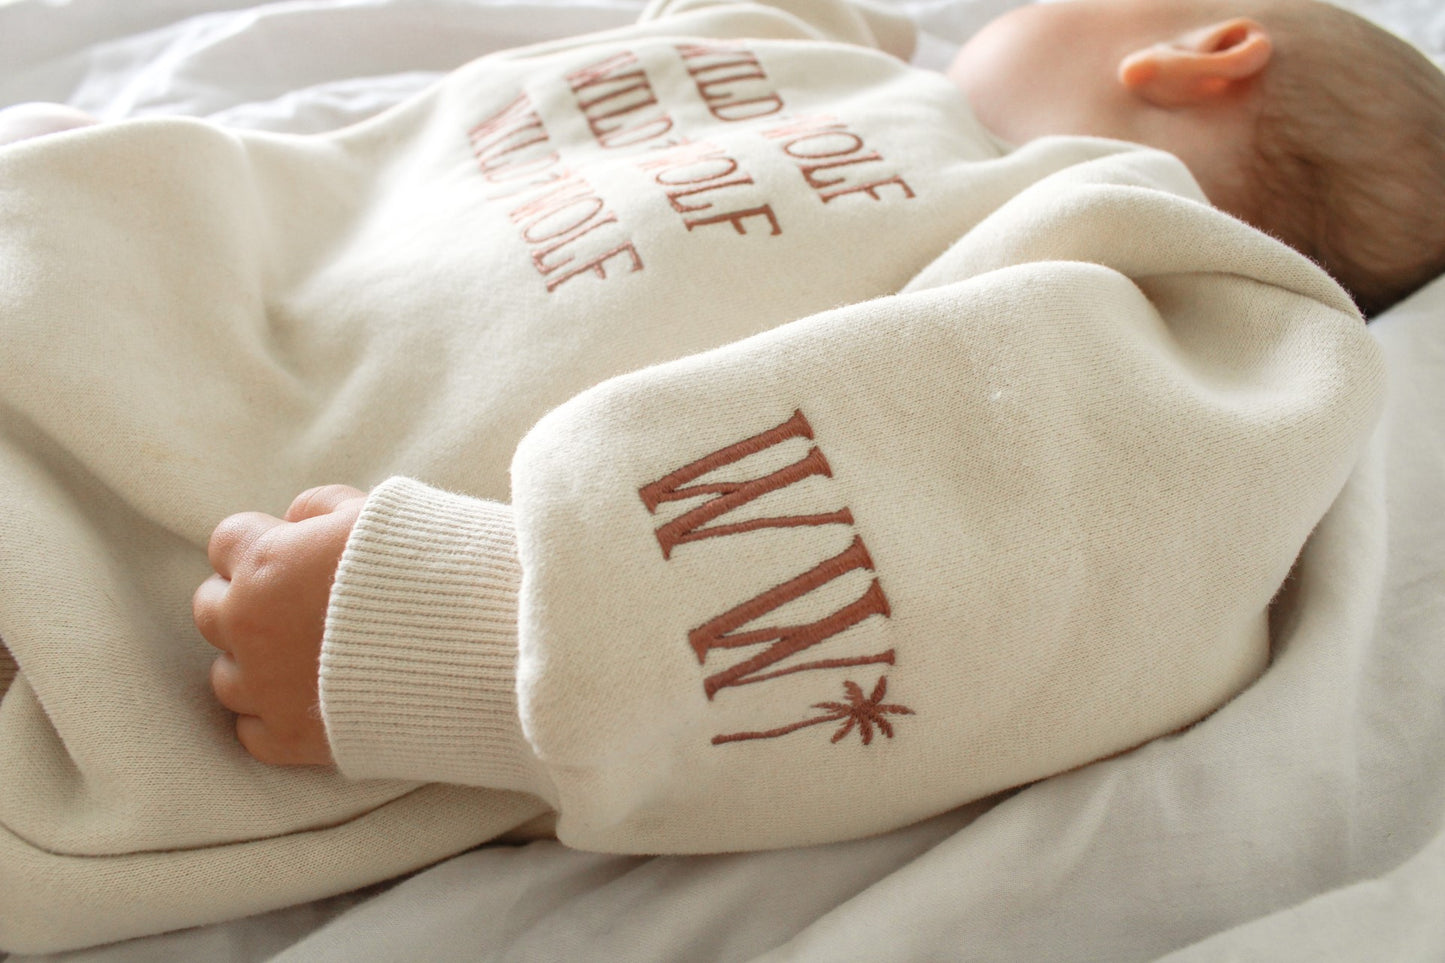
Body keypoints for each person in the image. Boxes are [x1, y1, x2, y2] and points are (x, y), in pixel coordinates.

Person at [0, 0, 1429, 951]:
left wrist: (475, 627)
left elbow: (1029, 548)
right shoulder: (817, 51)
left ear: (1202, 49)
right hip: (119, 280)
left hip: (156, 564)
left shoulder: (1120, 268)